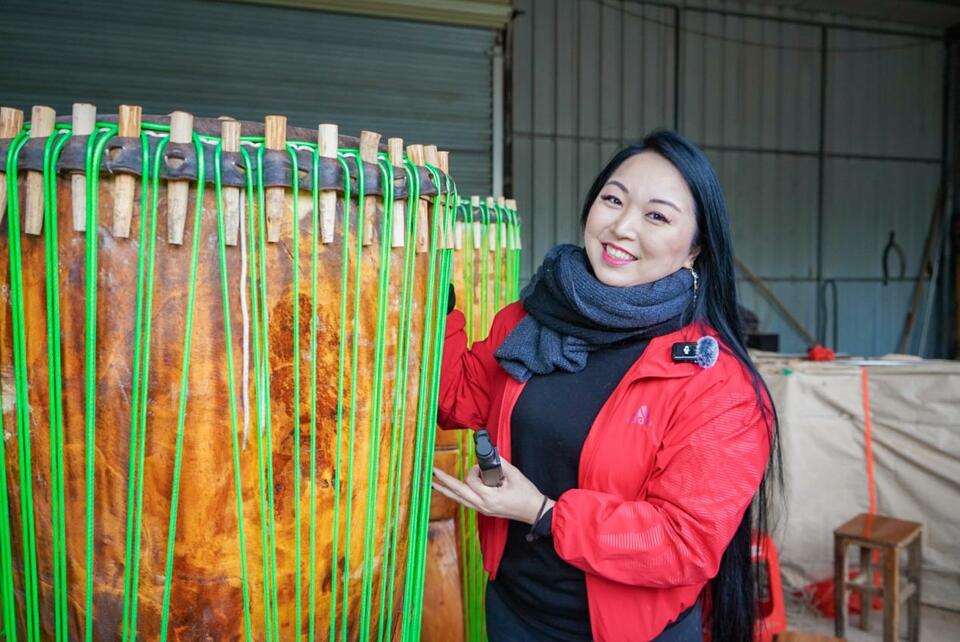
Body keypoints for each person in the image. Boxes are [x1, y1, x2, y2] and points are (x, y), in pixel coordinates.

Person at [432, 129, 779, 642]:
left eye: (656, 215)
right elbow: (457, 399)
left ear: (695, 249)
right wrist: (430, 295)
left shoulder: (717, 384)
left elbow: (683, 543)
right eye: (613, 199)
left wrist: (543, 513)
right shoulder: (527, 323)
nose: (621, 226)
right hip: (510, 610)